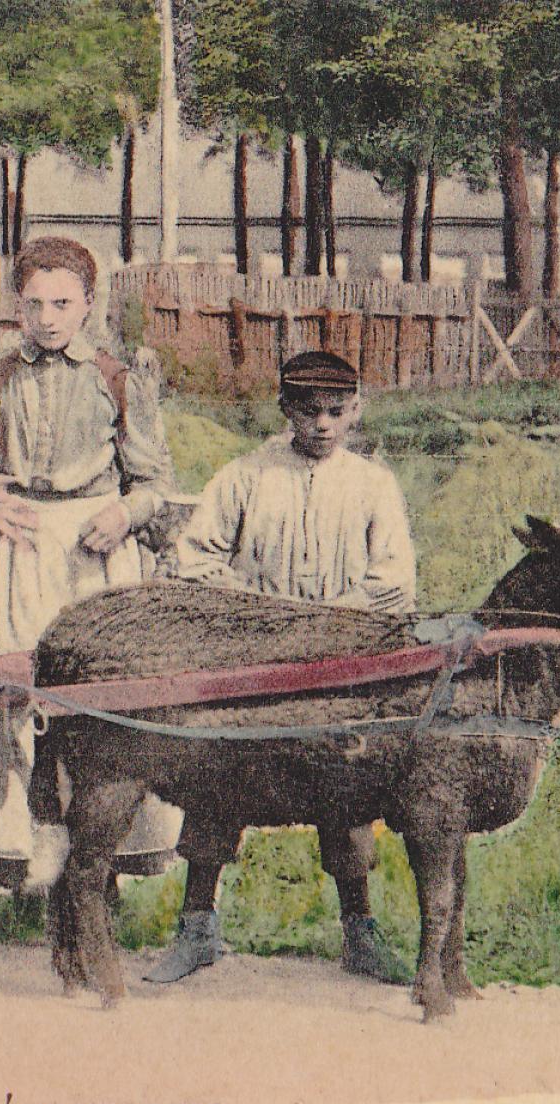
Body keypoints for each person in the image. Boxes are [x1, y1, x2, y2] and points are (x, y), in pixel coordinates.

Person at [150, 349, 416, 985]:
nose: (321, 424)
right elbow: (195, 558)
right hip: (258, 658)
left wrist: (330, 620)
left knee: (347, 785)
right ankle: (197, 928)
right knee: (221, 770)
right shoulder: (246, 476)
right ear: (284, 409)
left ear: (357, 410)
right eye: (307, 410)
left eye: (335, 411)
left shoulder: (373, 485)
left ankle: (359, 932)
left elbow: (395, 582)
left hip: (341, 659)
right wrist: (260, 611)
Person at [0, 236, 179, 883]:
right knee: (15, 697)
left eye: (62, 303)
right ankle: (18, 846)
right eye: (35, 303)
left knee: (104, 700)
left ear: (88, 306)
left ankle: (116, 849)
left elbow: (154, 481)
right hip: (20, 547)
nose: (47, 317)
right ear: (17, 304)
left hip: (94, 554)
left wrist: (124, 513)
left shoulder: (115, 381)